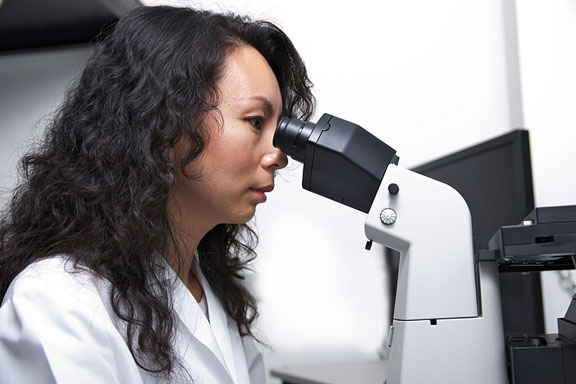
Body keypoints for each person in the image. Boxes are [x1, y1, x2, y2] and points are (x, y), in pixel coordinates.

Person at [0, 5, 314, 384]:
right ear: (164, 125)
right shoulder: (58, 303)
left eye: (277, 129)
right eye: (255, 122)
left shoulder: (212, 295)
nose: (278, 155)